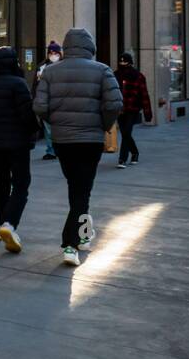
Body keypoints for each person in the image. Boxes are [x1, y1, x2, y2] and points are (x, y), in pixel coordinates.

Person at [32, 28, 122, 267]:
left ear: (65, 47)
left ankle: (82, 235)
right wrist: (103, 124)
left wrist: (56, 123)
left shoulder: (50, 72)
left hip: (63, 141)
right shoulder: (102, 70)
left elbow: (39, 107)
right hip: (91, 140)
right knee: (83, 190)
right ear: (89, 47)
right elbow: (115, 103)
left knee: (77, 188)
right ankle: (70, 244)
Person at [0, 46, 39, 254]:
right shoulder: (18, 84)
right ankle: (9, 224)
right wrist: (34, 131)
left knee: (1, 181)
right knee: (22, 183)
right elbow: (27, 115)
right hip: (18, 143)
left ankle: (0, 224)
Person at [114, 52, 153, 167]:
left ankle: (122, 159)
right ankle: (135, 152)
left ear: (130, 62)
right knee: (125, 133)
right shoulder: (114, 75)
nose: (122, 63)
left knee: (126, 132)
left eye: (125, 61)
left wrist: (147, 113)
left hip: (133, 109)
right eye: (120, 62)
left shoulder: (138, 76)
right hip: (119, 109)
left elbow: (144, 95)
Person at [33, 41, 62, 160]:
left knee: (57, 128)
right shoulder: (42, 66)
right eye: (50, 52)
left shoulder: (64, 65)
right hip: (46, 101)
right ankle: (51, 150)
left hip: (60, 102)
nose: (53, 55)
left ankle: (58, 149)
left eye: (55, 52)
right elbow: (36, 84)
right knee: (48, 128)